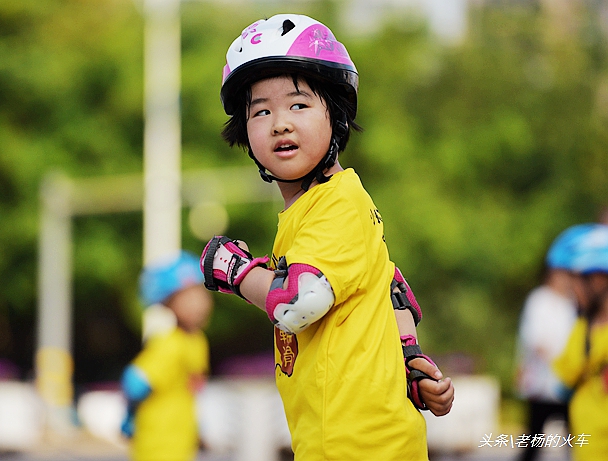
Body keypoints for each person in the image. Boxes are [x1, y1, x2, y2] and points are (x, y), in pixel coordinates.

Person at [199, 14, 453, 460]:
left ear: (335, 116)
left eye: (298, 105)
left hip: (358, 448)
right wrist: (411, 361)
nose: (280, 123)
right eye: (261, 111)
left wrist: (235, 271)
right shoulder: (319, 209)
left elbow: (299, 301)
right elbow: (391, 289)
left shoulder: (335, 205)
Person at [120, 251, 212, 461]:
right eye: (186, 297)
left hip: (180, 444)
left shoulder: (197, 341)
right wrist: (129, 416)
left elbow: (188, 389)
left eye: (199, 293)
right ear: (167, 303)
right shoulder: (169, 344)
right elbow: (135, 382)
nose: (198, 303)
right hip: (158, 446)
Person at [515, 227, 583, 461]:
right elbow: (537, 341)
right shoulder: (540, 300)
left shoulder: (574, 304)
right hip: (543, 385)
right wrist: (565, 362)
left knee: (575, 441)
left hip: (568, 384)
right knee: (534, 440)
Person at [553, 223, 608, 461]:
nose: (573, 289)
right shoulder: (582, 328)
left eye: (577, 279)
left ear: (598, 279)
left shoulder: (585, 329)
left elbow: (564, 380)